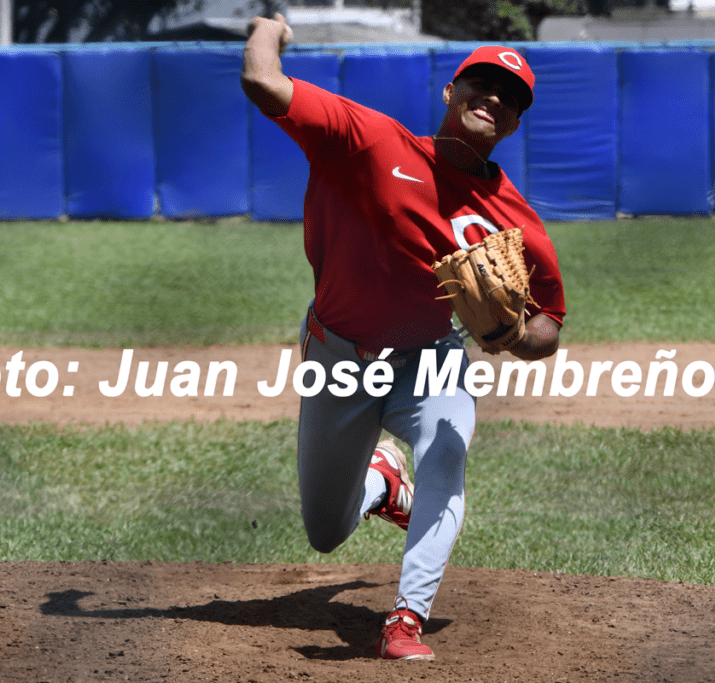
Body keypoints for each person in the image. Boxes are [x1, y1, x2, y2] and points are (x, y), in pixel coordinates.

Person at [241, 13, 566, 662]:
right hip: (338, 354)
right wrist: (269, 27)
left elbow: (548, 323)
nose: (494, 98)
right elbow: (262, 82)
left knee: (447, 451)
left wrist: (513, 337)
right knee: (325, 531)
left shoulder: (513, 218)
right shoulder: (368, 141)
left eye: (511, 98)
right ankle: (384, 486)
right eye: (481, 83)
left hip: (432, 359)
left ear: (514, 124)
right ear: (451, 91)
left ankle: (405, 621)